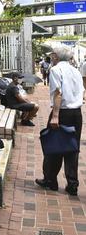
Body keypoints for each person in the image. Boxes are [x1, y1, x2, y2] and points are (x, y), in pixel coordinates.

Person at [35, 46, 85, 195]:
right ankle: (72, 184)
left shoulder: (56, 70)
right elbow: (81, 92)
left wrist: (55, 115)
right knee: (72, 148)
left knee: (54, 146)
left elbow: (58, 93)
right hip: (76, 113)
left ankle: (50, 179)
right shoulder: (75, 70)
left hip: (62, 112)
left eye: (52, 55)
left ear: (56, 56)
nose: (51, 57)